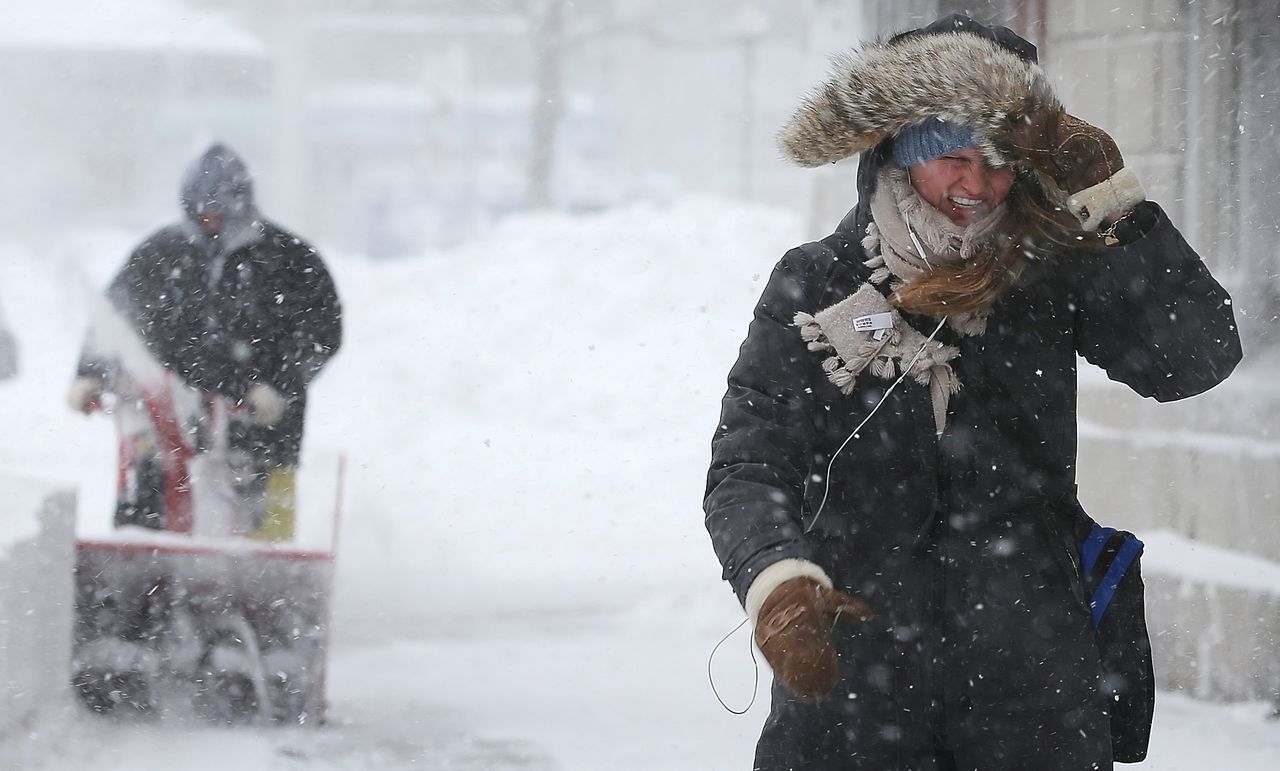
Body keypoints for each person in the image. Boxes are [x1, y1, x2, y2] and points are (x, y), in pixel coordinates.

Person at [703, 15, 1241, 771]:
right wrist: (777, 579)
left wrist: (1112, 199)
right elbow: (750, 462)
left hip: (1030, 694)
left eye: (998, 161)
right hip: (858, 691)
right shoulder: (818, 279)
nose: (977, 185)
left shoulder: (1050, 272)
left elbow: (1195, 358)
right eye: (952, 157)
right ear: (899, 151)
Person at [68, 143, 342, 541]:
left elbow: (322, 334)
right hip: (170, 422)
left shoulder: (290, 260)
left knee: (262, 539)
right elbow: (115, 319)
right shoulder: (160, 254)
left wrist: (278, 388)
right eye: (201, 214)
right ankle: (145, 579)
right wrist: (91, 373)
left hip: (263, 432)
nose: (210, 222)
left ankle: (260, 590)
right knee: (149, 517)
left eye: (219, 213)